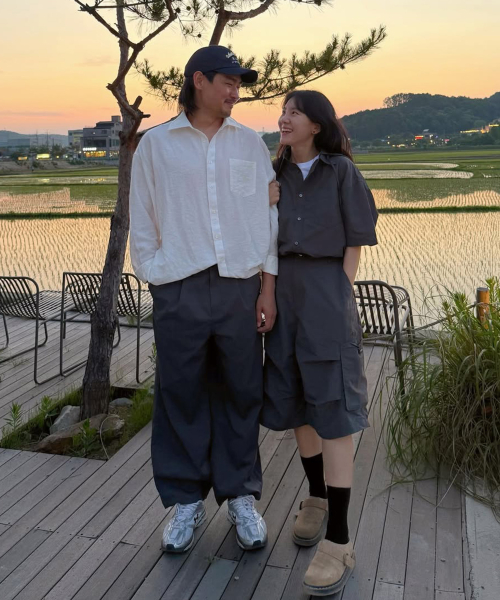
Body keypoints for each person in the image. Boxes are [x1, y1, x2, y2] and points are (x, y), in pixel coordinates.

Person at [129, 45, 279, 554]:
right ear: (199, 81)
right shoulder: (156, 145)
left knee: (242, 390)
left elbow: (268, 217)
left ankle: (240, 495)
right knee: (181, 392)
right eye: (228, 81)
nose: (236, 91)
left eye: (239, 83)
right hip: (180, 285)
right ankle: (186, 500)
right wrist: (156, 274)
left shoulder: (249, 143)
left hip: (240, 286)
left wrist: (266, 287)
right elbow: (142, 214)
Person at [262, 90, 378, 596]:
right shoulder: (274, 174)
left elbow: (356, 238)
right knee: (297, 401)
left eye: (295, 112)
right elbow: (258, 235)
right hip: (283, 292)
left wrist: (340, 290)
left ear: (317, 124)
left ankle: (340, 539)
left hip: (326, 292)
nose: (284, 118)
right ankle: (315, 496)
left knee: (333, 407)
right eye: (283, 111)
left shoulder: (341, 172)